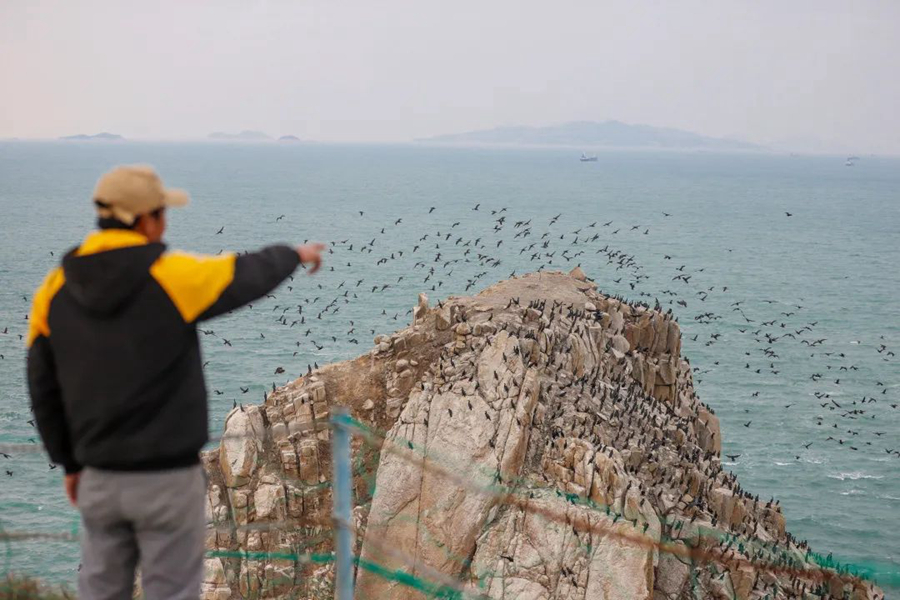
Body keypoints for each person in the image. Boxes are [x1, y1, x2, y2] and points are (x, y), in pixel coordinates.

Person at [26, 164, 324, 599]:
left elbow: (42, 387)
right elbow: (245, 274)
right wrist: (295, 254)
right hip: (165, 478)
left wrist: (68, 463)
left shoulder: (53, 290)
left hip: (99, 476)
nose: (165, 225)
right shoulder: (170, 275)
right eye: (162, 214)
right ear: (144, 219)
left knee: (101, 589)